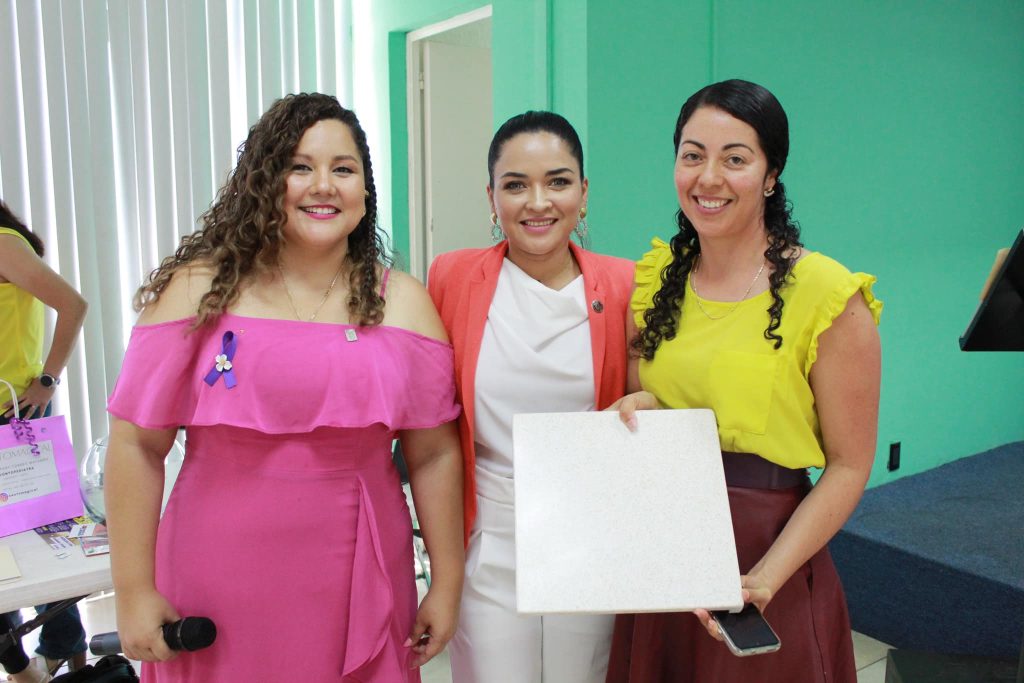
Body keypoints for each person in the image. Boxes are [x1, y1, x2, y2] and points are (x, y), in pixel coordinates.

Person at [103, 93, 464, 682]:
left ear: (365, 190)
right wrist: (132, 590)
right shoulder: (198, 291)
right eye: (300, 167)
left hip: (358, 568)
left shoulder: (403, 302)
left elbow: (434, 453)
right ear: (264, 182)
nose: (323, 185)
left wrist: (446, 582)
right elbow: (135, 443)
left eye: (343, 169)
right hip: (216, 569)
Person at [606, 79, 882, 682]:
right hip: (667, 542)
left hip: (769, 550)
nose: (708, 178)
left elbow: (848, 465)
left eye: (735, 159)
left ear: (771, 174)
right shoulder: (655, 279)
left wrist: (764, 579)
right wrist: (645, 404)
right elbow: (661, 407)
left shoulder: (828, 295)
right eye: (692, 155)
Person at [428, 111, 635, 683]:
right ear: (491, 197)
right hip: (488, 532)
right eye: (516, 185)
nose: (537, 202)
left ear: (583, 193)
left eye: (558, 182)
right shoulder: (450, 278)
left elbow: (648, 400)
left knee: (584, 673)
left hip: (590, 529)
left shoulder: (626, 285)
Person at [0, 200, 88, 683]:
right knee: (10, 550)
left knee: (41, 536)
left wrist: (48, 381)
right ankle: (23, 660)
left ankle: (60, 647)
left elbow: (74, 304)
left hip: (15, 415)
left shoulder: (3, 244)